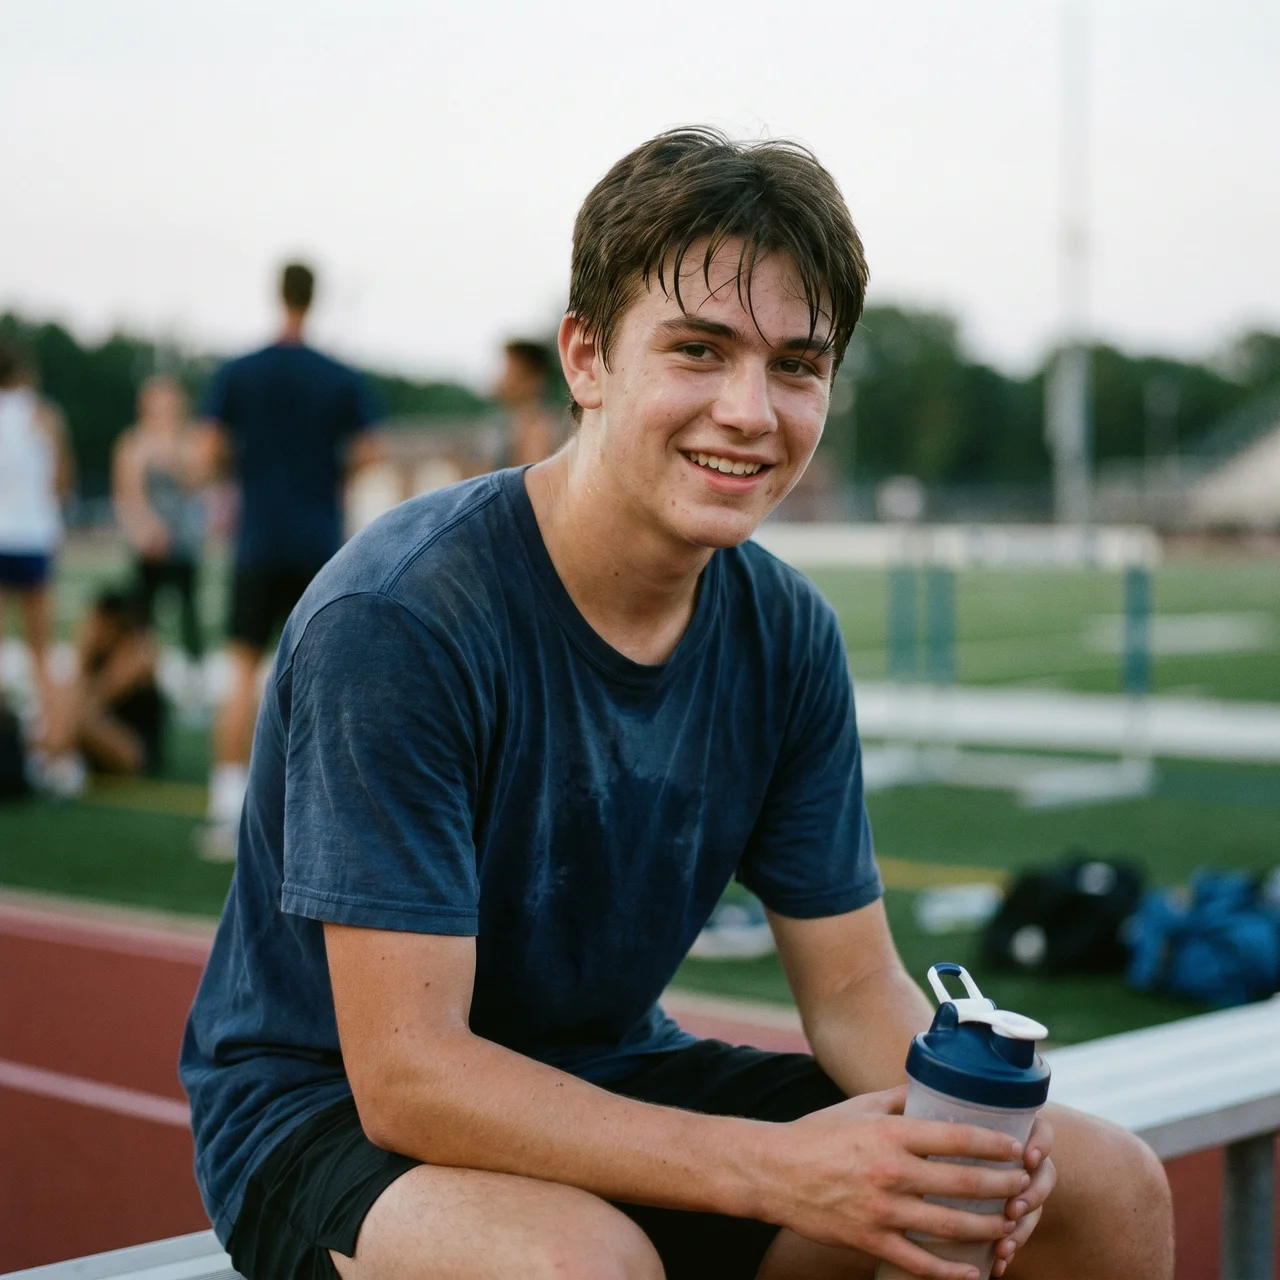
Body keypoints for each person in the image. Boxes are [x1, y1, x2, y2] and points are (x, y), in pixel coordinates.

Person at [181, 130, 1173, 1280]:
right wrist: (770, 1167)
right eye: (698, 350)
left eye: (795, 366)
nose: (749, 410)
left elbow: (852, 986)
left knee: (1099, 1181)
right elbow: (410, 1072)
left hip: (607, 1065)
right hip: (330, 1106)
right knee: (580, 1266)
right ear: (587, 357)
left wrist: (976, 1120)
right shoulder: (404, 614)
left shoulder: (784, 629)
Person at [192, 262, 383, 852]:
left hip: (258, 540)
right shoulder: (337, 376)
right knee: (318, 681)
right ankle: (316, 815)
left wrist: (247, 469)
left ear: (277, 295)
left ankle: (229, 812)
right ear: (315, 297)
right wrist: (325, 470)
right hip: (317, 541)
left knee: (242, 673)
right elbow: (371, 450)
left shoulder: (242, 371)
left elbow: (206, 456)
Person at [0, 339, 74, 727]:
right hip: (34, 536)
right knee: (40, 653)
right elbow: (63, 481)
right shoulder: (44, 414)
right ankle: (48, 744)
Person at [112, 375, 206, 678]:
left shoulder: (189, 439)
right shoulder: (133, 441)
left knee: (190, 612)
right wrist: (146, 530)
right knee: (141, 615)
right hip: (148, 542)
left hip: (185, 540)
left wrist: (175, 456)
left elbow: (198, 481)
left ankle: (194, 676)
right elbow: (128, 492)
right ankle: (143, 674)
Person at [39, 589, 164, 790]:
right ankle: (51, 759)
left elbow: (98, 697)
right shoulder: (96, 647)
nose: (91, 627)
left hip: (134, 749)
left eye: (97, 622)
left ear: (112, 623)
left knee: (73, 711)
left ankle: (47, 760)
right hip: (97, 734)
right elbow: (77, 689)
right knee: (64, 700)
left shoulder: (137, 653)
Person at [494, 338, 561, 466]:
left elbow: (531, 481)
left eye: (509, 371)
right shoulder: (516, 422)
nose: (501, 378)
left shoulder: (537, 430)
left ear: (532, 378)